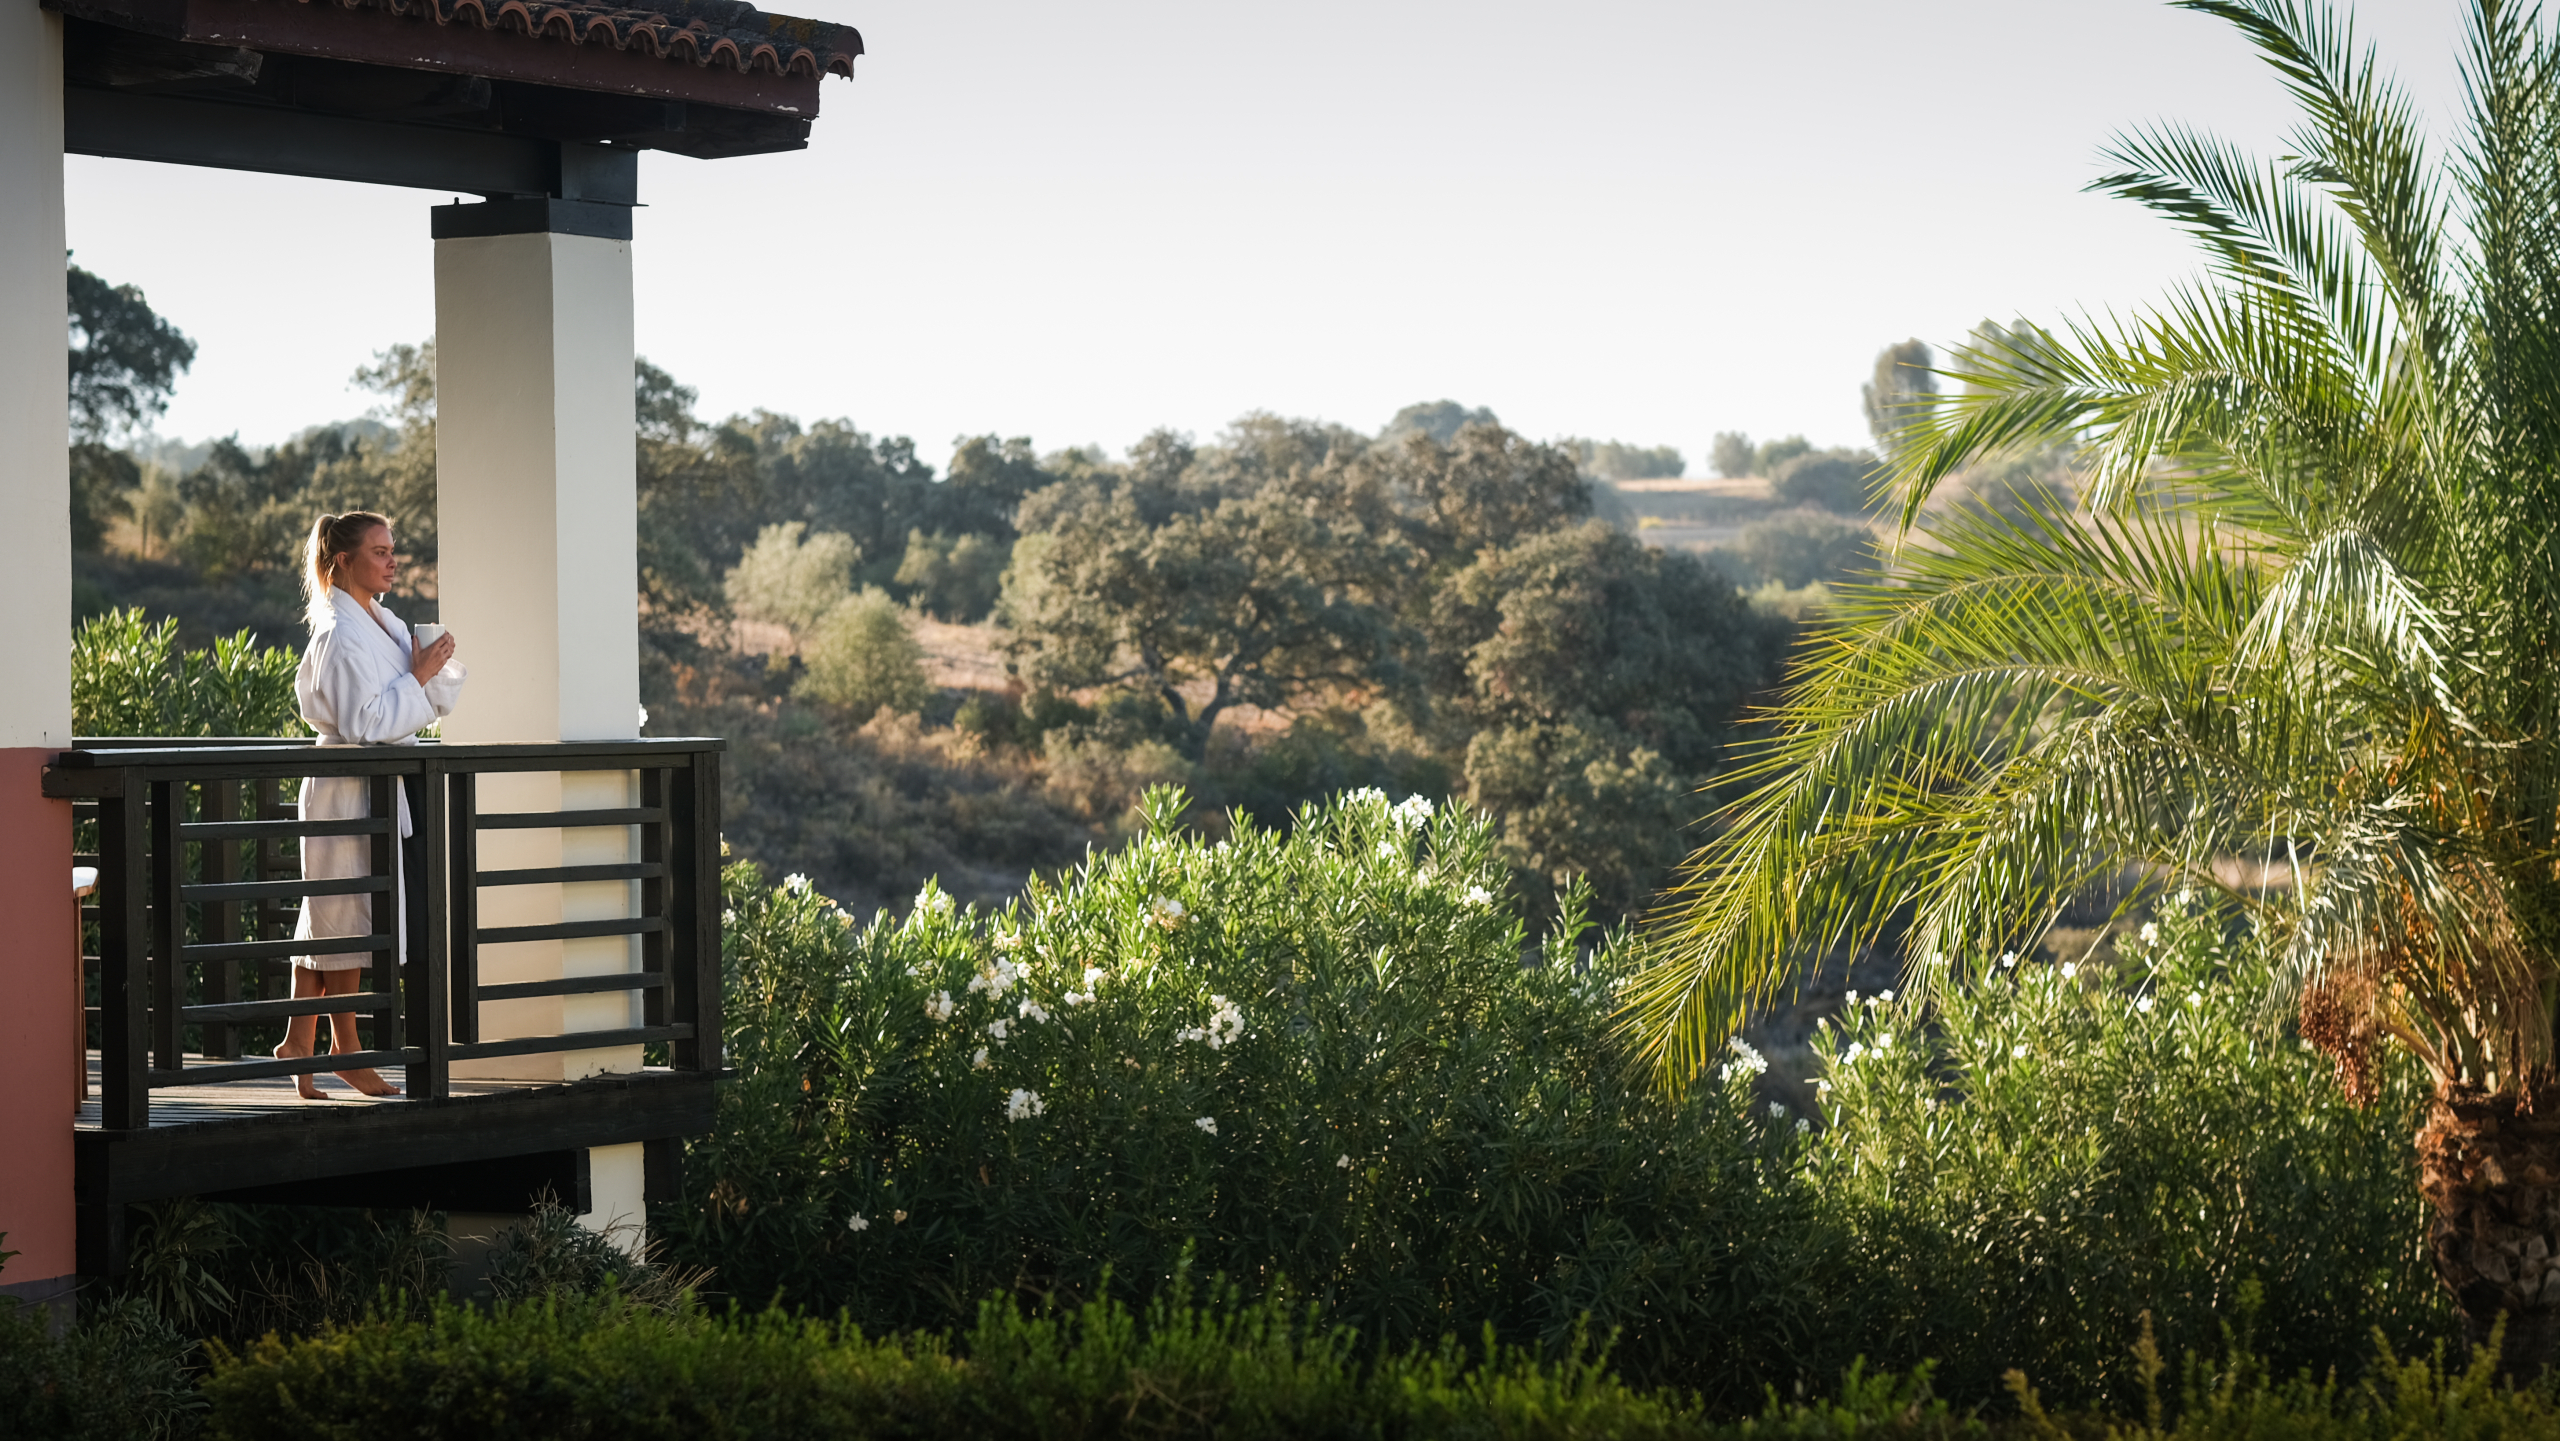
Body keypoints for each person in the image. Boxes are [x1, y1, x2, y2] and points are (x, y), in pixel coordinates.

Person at [277, 511, 465, 1099]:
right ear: (344, 560)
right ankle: (346, 1050)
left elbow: (420, 701)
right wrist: (417, 677)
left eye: (392, 550)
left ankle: (299, 1041)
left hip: (372, 790)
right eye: (380, 551)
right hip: (346, 788)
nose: (393, 560)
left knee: (332, 913)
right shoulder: (340, 634)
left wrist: (430, 669)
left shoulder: (381, 622)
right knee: (345, 916)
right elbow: (365, 722)